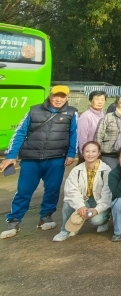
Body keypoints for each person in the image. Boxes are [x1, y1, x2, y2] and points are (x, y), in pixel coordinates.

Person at [0, 85, 78, 239]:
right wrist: (12, 155)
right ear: (50, 95)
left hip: (56, 158)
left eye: (62, 96)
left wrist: (71, 153)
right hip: (31, 158)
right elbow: (20, 132)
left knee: (53, 190)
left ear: (67, 98)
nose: (59, 99)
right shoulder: (34, 110)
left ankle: (45, 217)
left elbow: (74, 134)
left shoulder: (71, 112)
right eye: (56, 96)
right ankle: (14, 220)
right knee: (24, 191)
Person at [52, 141, 112, 241]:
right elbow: (71, 191)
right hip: (84, 200)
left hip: (99, 202)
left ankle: (104, 222)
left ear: (99, 153)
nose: (90, 154)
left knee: (96, 220)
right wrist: (80, 206)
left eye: (94, 151)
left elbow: (108, 195)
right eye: (87, 151)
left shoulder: (106, 170)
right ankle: (65, 230)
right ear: (83, 153)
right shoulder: (76, 170)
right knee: (67, 203)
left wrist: (97, 210)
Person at [96, 94, 121, 168]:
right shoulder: (109, 116)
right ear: (116, 104)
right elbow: (99, 134)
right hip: (109, 154)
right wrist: (97, 150)